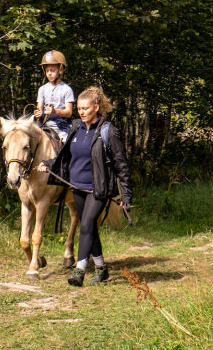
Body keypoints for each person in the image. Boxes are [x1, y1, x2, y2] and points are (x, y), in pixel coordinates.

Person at [37, 86, 132, 285]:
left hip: (99, 188)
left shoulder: (108, 131)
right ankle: (101, 268)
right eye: (79, 108)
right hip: (77, 187)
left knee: (87, 224)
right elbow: (66, 158)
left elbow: (121, 165)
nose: (81, 111)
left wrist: (126, 195)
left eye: (85, 108)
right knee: (90, 229)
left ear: (96, 108)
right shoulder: (75, 127)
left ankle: (79, 270)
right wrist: (48, 164)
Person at [34, 50, 75, 144]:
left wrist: (55, 111)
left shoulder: (66, 89)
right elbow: (39, 107)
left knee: (66, 146)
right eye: (47, 70)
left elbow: (69, 113)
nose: (49, 73)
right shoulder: (42, 89)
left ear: (60, 70)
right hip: (43, 124)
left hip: (61, 126)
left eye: (52, 70)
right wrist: (38, 113)